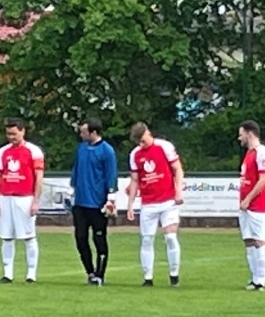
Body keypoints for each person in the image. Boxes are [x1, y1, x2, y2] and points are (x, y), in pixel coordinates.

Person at [126, 122, 183, 287]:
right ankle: (148, 278)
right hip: (148, 203)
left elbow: (177, 169)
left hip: (168, 200)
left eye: (143, 140)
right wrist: (130, 204)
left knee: (170, 237)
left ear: (148, 133)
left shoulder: (164, 147)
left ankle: (174, 275)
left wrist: (178, 191)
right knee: (147, 240)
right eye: (139, 141)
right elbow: (135, 180)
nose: (141, 144)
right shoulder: (135, 154)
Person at [0, 118, 45, 284]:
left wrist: (35, 201)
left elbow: (39, 177)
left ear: (23, 132)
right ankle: (7, 273)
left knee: (29, 236)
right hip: (6, 197)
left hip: (25, 198)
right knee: (6, 236)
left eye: (14, 134)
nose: (11, 137)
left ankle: (31, 273)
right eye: (8, 134)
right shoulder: (3, 151)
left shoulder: (34, 151)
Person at [69, 119, 117, 286]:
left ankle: (100, 273)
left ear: (93, 132)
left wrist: (111, 198)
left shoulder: (107, 151)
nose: (81, 135)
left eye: (84, 132)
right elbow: (76, 170)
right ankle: (90, 272)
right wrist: (72, 189)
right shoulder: (81, 149)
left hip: (97, 203)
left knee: (99, 239)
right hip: (80, 203)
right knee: (80, 238)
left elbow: (111, 174)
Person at [237, 121, 265, 291]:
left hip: (258, 205)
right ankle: (253, 278)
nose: (239, 138)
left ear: (249, 133)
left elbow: (264, 179)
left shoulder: (262, 152)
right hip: (246, 206)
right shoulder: (249, 153)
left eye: (241, 134)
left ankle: (261, 281)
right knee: (249, 241)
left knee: (259, 240)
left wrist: (248, 199)